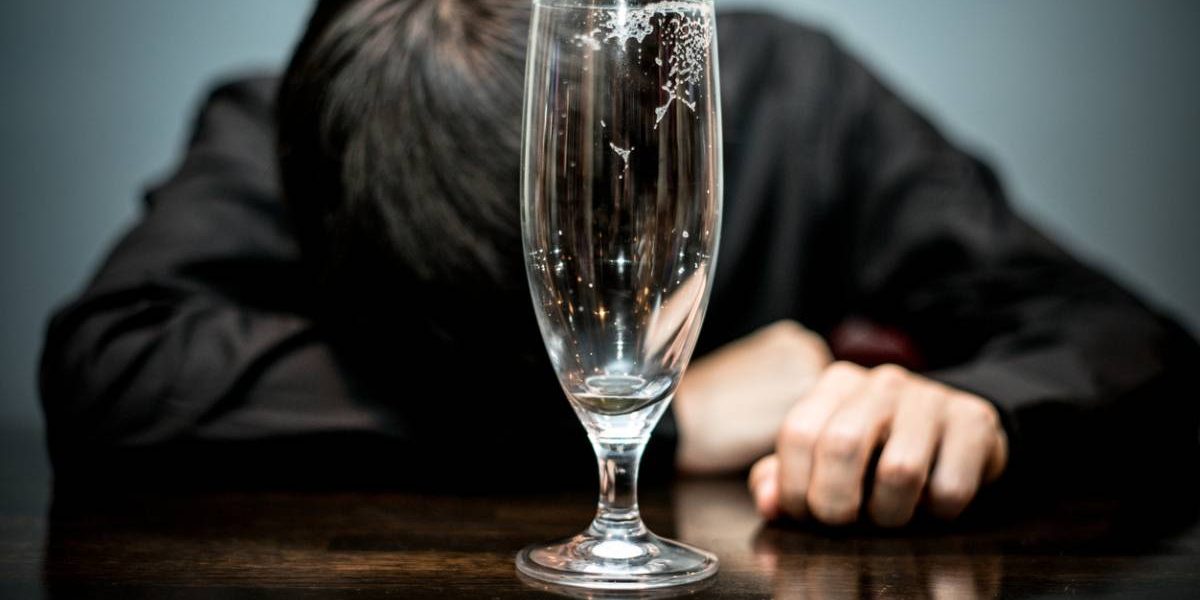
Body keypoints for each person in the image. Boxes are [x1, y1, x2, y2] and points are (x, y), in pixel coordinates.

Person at [41, 0, 1198, 527]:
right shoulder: (291, 127)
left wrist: (976, 411)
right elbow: (112, 370)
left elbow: (1131, 342)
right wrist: (674, 415)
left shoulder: (794, 100)